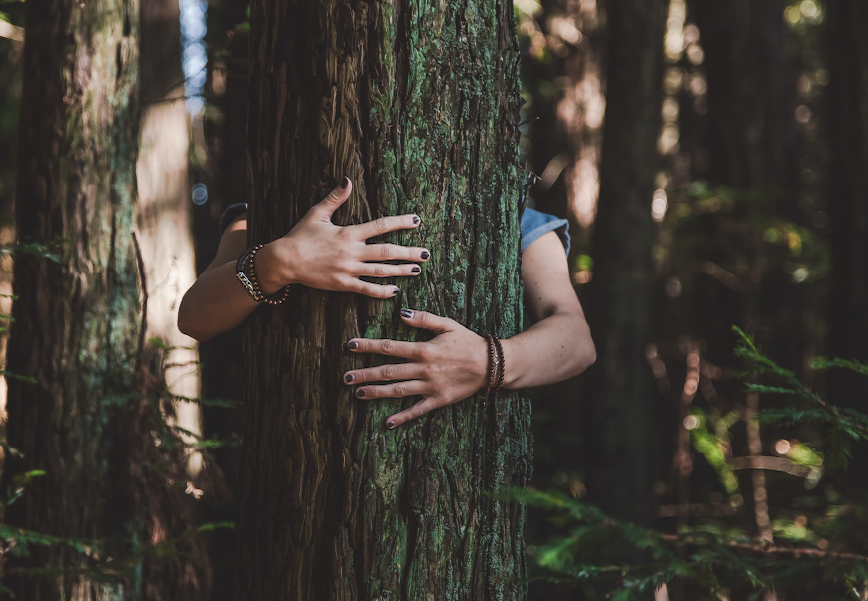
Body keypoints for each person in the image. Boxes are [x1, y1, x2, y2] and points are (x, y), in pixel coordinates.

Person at [177, 177, 596, 428]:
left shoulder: (515, 219)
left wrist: (488, 362)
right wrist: (280, 260)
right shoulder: (269, 211)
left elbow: (576, 340)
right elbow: (195, 316)